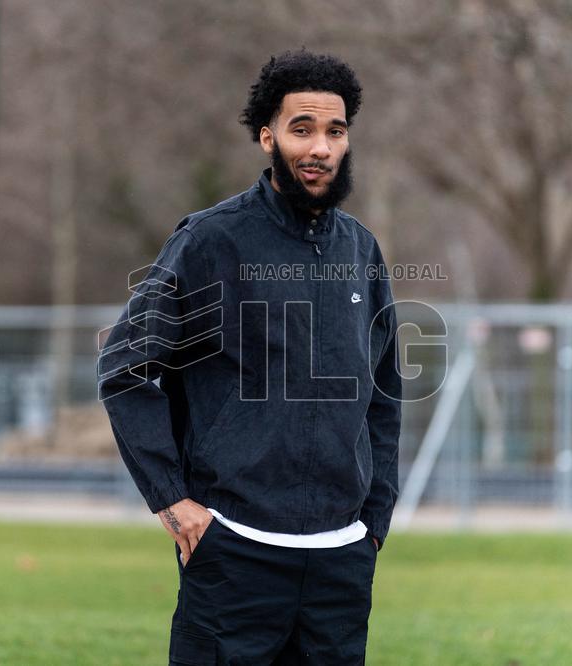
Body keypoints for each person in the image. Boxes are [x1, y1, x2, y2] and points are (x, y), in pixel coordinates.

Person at [97, 49, 403, 664]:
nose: (320, 147)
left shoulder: (362, 251)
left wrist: (373, 520)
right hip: (234, 551)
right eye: (302, 129)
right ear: (267, 136)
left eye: (335, 131)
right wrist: (172, 500)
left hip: (340, 562)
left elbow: (385, 393)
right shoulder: (212, 240)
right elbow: (126, 368)